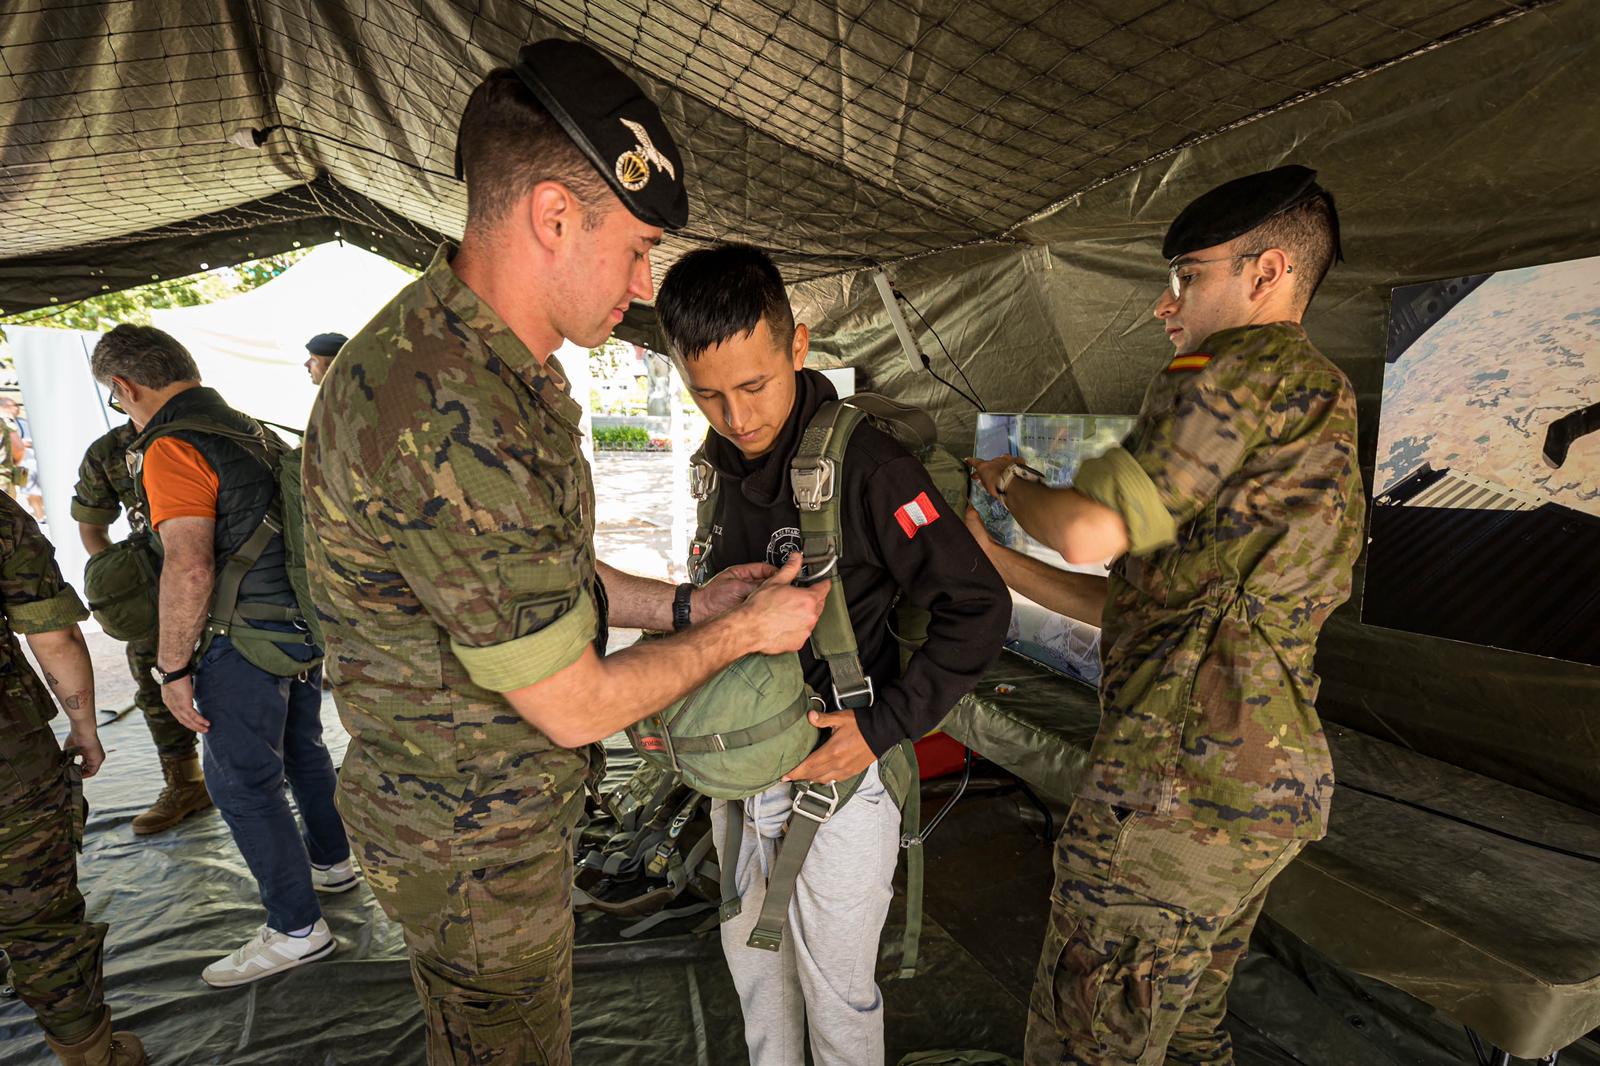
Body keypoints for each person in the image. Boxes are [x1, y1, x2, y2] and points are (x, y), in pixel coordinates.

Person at [301, 39, 830, 1066]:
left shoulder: (492, 372)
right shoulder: (442, 402)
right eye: (635, 248)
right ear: (551, 216)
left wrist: (688, 606)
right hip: (468, 847)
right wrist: (747, 634)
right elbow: (574, 699)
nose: (642, 284)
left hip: (488, 820)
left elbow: (540, 580)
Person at [967, 165, 1366, 1066]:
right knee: (1184, 1036)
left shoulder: (1234, 370)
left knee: (1088, 1044)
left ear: (1265, 275)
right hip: (1256, 792)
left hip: (1173, 794)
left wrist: (1015, 484)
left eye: (1187, 274)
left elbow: (1091, 533)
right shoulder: (1316, 401)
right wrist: (997, 558)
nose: (1165, 304)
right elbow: (1146, 607)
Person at [655, 243, 1010, 1066]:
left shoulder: (869, 466)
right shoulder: (714, 470)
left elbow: (977, 608)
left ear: (799, 348)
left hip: (841, 776)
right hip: (744, 774)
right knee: (755, 971)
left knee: (836, 994)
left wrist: (881, 727)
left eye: (754, 386)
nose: (737, 416)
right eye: (707, 394)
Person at [88, 324, 355, 989]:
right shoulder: (254, 430)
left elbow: (187, 566)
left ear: (123, 387)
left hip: (238, 640)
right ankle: (334, 863)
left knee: (240, 781)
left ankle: (297, 929)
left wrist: (173, 668)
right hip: (297, 629)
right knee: (304, 752)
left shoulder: (174, 445)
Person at [0, 492, 146, 1065]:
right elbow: (52, 635)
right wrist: (84, 727)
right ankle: (90, 1056)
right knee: (41, 923)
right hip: (10, 767)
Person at [72, 421, 213, 834]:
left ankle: (278, 767)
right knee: (153, 674)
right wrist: (132, 581)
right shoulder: (109, 452)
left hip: (234, 575)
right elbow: (91, 527)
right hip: (160, 588)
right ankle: (186, 782)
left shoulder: (210, 428)